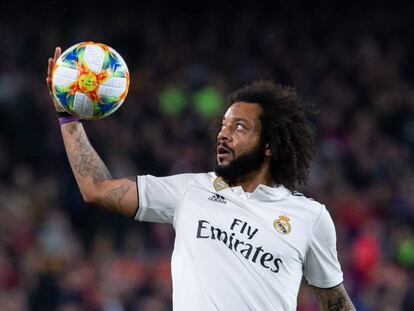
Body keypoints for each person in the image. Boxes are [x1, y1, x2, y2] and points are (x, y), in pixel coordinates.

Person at [47, 47, 356, 311]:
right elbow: (97, 190)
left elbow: (335, 302)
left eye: (239, 127)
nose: (223, 133)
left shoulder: (310, 218)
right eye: (223, 125)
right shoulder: (190, 190)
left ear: (270, 145)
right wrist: (68, 118)